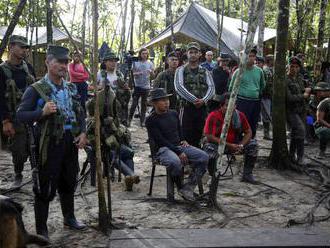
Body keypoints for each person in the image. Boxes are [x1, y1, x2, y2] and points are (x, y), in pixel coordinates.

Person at [16, 45, 87, 239]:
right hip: (47, 145)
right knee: (44, 186)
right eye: (59, 61)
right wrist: (42, 113)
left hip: (70, 142)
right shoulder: (36, 89)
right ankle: (42, 229)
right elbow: (21, 115)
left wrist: (83, 133)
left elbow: (81, 113)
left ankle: (69, 217)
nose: (64, 66)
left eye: (65, 62)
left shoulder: (71, 87)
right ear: (48, 62)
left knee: (69, 180)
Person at [145, 88, 208, 201]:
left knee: (204, 157)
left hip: (178, 145)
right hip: (162, 149)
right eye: (162, 100)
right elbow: (160, 141)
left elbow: (179, 129)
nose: (166, 102)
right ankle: (180, 186)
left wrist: (183, 139)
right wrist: (178, 152)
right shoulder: (151, 120)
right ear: (154, 103)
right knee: (175, 162)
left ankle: (188, 187)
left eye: (167, 99)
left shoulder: (174, 113)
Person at [86, 82, 140, 191]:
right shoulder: (92, 122)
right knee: (111, 155)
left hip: (115, 145)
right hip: (102, 149)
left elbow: (119, 132)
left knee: (129, 152)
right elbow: (90, 139)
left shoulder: (113, 120)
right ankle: (130, 174)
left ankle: (129, 179)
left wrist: (117, 129)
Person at [0, 35, 35, 188]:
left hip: (32, 115)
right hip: (14, 117)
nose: (24, 50)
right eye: (21, 47)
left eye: (25, 47)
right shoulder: (2, 71)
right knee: (19, 149)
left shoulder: (28, 68)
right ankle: (18, 174)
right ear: (11, 47)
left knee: (35, 146)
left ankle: (36, 172)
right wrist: (6, 121)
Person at [203, 93, 258, 184]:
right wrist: (228, 145)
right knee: (209, 148)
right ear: (221, 106)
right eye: (227, 105)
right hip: (217, 144)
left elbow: (249, 132)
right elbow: (209, 135)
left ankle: (247, 174)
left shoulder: (240, 115)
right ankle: (213, 176)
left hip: (235, 143)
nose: (230, 108)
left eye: (233, 105)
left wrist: (241, 145)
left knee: (253, 144)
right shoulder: (213, 116)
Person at [174, 42, 215, 148]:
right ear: (187, 54)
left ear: (200, 54)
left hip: (201, 108)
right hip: (186, 108)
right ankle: (186, 160)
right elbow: (179, 87)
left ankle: (197, 159)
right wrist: (194, 100)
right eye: (190, 52)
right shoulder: (180, 70)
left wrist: (203, 100)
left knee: (200, 133)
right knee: (184, 134)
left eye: (195, 52)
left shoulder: (205, 71)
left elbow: (211, 88)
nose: (193, 54)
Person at [228, 48, 265, 138]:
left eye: (253, 56)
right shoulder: (238, 71)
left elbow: (262, 85)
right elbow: (231, 88)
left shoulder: (259, 71)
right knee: (239, 123)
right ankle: (238, 143)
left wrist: (256, 93)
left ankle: (251, 143)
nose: (251, 58)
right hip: (241, 101)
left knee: (253, 123)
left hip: (255, 102)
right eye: (249, 56)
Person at [286, 56, 310, 166]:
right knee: (300, 131)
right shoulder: (286, 79)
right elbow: (289, 98)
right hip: (291, 110)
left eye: (296, 67)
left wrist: (306, 90)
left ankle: (292, 155)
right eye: (292, 66)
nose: (294, 69)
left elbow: (302, 90)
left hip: (301, 110)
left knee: (296, 133)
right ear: (288, 66)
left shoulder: (300, 78)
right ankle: (300, 157)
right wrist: (303, 95)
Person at [97, 50, 131, 125]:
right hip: (105, 107)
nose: (113, 63)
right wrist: (99, 87)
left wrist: (125, 88)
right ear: (105, 62)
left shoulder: (119, 74)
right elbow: (90, 87)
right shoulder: (100, 74)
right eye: (111, 61)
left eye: (115, 61)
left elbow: (125, 93)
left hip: (118, 108)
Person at [128, 48, 154, 127]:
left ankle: (142, 121)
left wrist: (151, 72)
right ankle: (129, 119)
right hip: (137, 86)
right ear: (140, 54)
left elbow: (153, 76)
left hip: (146, 87)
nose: (145, 55)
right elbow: (132, 74)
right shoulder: (136, 63)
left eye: (146, 53)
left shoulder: (150, 63)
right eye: (143, 53)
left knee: (144, 104)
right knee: (134, 104)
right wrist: (138, 73)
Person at [260, 55, 274, 140]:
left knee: (268, 114)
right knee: (266, 114)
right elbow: (266, 84)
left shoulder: (270, 70)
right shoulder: (266, 70)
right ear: (269, 61)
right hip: (266, 95)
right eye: (273, 60)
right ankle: (266, 133)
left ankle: (267, 133)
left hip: (269, 95)